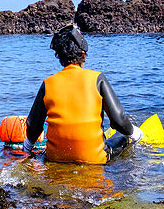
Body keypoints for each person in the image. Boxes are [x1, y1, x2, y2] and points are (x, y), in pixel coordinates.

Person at [22, 24, 142, 164]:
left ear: (59, 56)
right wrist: (135, 133)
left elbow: (33, 124)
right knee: (123, 137)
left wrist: (28, 146)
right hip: (94, 158)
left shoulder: (48, 83)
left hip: (55, 158)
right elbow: (119, 120)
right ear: (83, 54)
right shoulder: (98, 79)